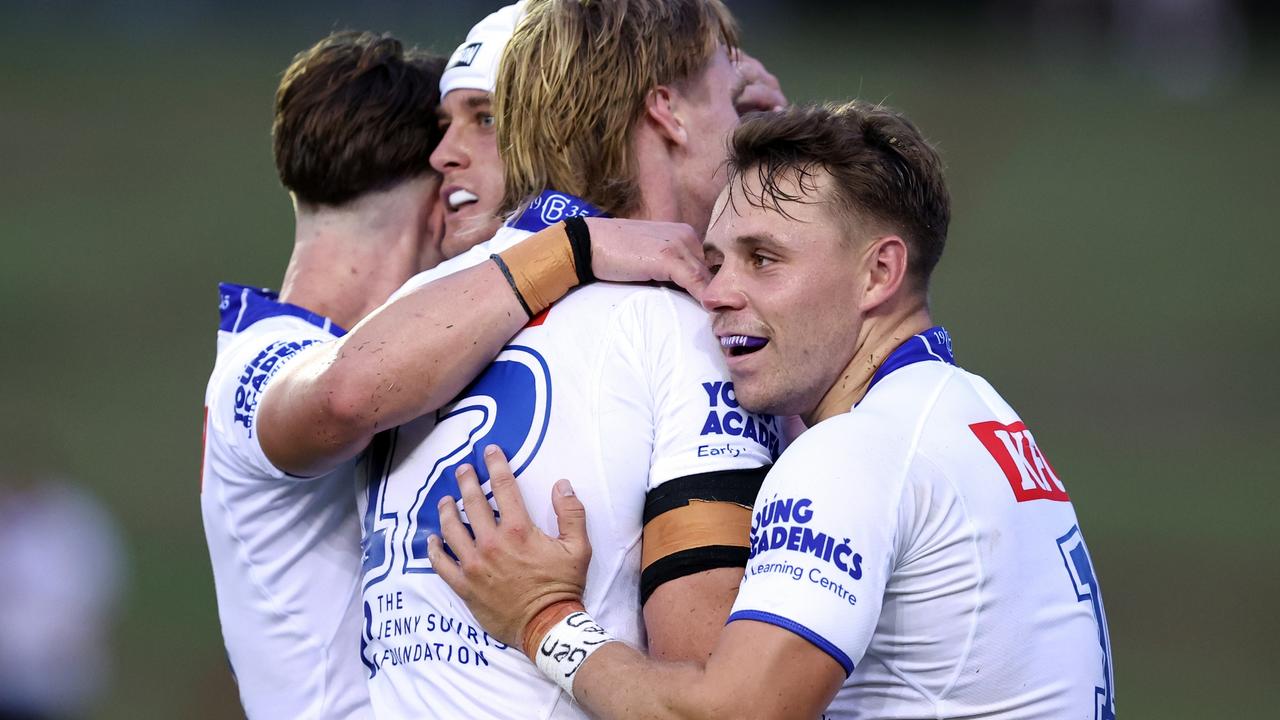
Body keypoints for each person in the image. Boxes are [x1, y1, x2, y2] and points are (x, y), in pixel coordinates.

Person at [431, 101, 1116, 719]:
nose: (718, 293)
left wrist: (542, 617)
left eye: (763, 259)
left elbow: (734, 717)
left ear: (879, 273)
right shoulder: (971, 413)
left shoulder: (852, 453)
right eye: (715, 260)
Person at [257, 1, 790, 717]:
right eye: (733, 100)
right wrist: (545, 621)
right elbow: (710, 694)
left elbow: (310, 414)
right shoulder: (684, 329)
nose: (756, 133)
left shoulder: (425, 308)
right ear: (666, 112)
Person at [199, 31, 447, 719]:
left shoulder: (407, 359)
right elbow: (342, 398)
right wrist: (560, 251)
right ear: (441, 197)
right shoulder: (259, 358)